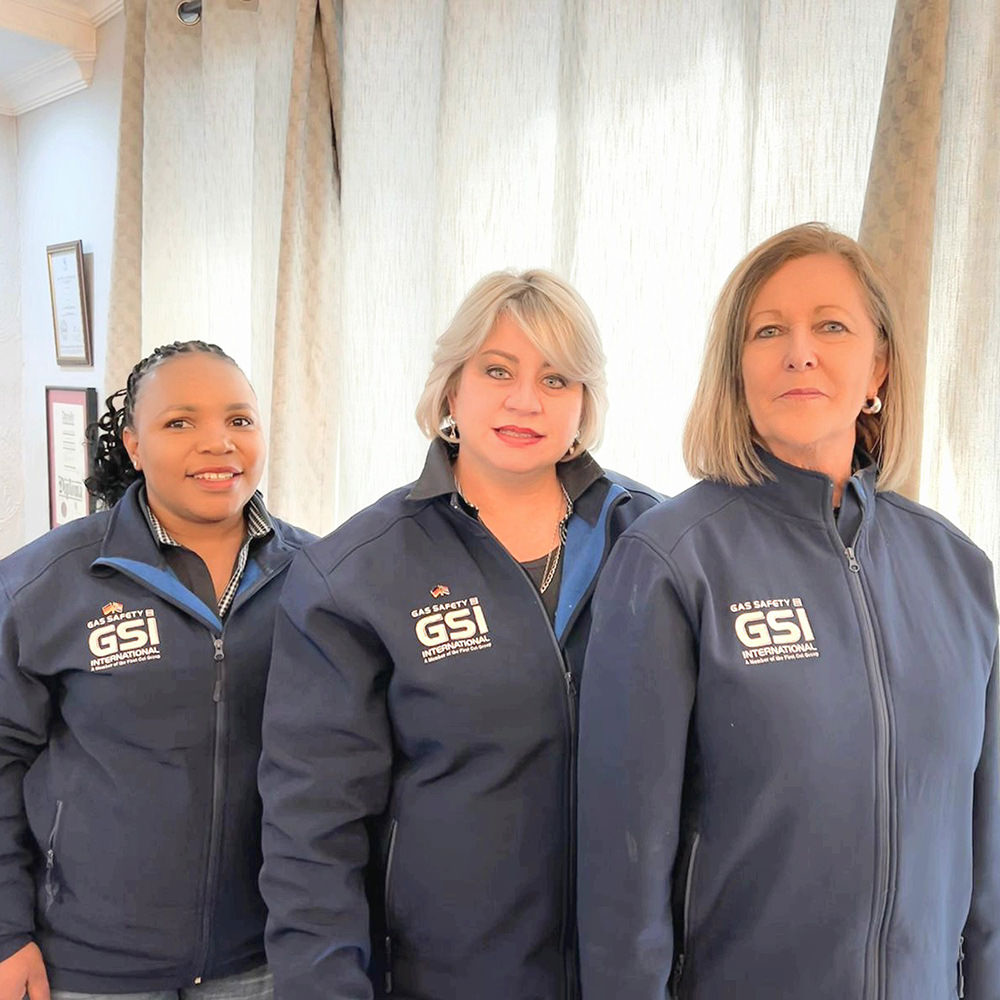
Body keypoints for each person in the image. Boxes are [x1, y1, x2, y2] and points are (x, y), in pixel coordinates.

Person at [576, 222, 1000, 999]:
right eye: (768, 331)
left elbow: (989, 861)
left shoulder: (960, 573)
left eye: (830, 326)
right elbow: (621, 874)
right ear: (736, 371)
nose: (799, 352)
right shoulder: (672, 561)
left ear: (878, 367)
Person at [258, 269, 662, 1000]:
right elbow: (312, 831)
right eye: (497, 370)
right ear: (451, 389)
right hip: (446, 975)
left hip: (633, 976)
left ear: (584, 402)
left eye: (556, 378)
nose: (525, 400)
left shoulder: (658, 545)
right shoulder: (355, 575)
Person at [0, 341, 315, 1000]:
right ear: (134, 445)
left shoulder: (320, 579)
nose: (217, 442)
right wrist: (6, 933)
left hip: (263, 956)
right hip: (88, 964)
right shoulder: (43, 584)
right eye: (180, 422)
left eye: (239, 419)